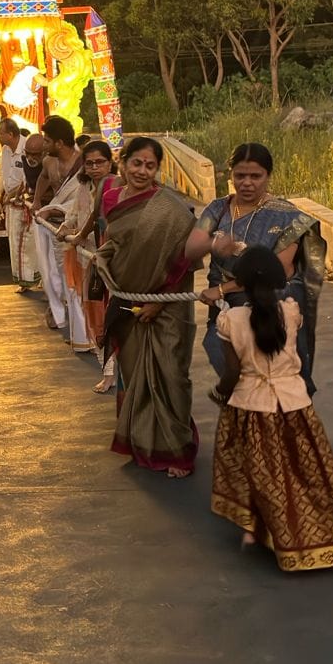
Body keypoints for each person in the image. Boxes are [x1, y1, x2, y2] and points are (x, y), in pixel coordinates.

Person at [210, 246, 333, 571]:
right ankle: (324, 534)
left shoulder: (230, 320)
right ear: (279, 280)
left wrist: (219, 393)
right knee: (305, 471)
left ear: (241, 282)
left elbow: (232, 372)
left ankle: (275, 534)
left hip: (252, 407)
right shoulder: (291, 312)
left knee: (263, 475)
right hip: (294, 405)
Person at [98, 136, 199, 478]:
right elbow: (117, 243)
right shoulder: (110, 198)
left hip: (167, 305)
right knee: (134, 374)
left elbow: (184, 260)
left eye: (150, 166)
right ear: (123, 163)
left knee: (171, 374)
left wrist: (158, 301)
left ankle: (178, 453)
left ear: (157, 170)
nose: (142, 171)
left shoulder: (169, 208)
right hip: (127, 299)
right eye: (136, 163)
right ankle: (142, 443)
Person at [195, 142, 327, 392]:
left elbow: (277, 272)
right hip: (225, 307)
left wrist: (222, 290)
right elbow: (190, 248)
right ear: (231, 174)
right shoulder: (218, 209)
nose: (247, 183)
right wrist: (213, 244)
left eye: (255, 176)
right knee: (221, 350)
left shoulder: (287, 217)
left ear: (268, 176)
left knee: (278, 370)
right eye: (240, 176)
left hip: (270, 306)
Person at [65, 140, 118, 386]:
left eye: (100, 162)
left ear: (110, 163)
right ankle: (107, 371)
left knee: (115, 316)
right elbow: (75, 215)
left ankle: (118, 372)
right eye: (90, 163)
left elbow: (97, 218)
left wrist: (79, 235)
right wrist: (66, 227)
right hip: (90, 260)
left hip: (115, 263)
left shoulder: (116, 187)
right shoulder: (84, 189)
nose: (95, 168)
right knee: (95, 314)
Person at [31, 117, 82, 334]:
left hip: (75, 230)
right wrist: (37, 200)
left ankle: (78, 325)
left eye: (47, 141)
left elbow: (83, 200)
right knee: (54, 274)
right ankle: (59, 312)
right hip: (50, 228)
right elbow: (43, 179)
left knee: (72, 276)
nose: (44, 145)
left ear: (59, 143)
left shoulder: (83, 163)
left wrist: (55, 210)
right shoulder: (48, 162)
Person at [0, 119, 40, 292]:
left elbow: (28, 180)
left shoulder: (28, 148)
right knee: (14, 242)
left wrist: (14, 194)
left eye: (0, 133)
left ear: (10, 134)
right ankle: (22, 279)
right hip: (11, 204)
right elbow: (5, 175)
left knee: (27, 244)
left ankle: (33, 277)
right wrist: (3, 194)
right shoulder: (5, 150)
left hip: (26, 203)